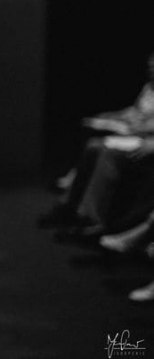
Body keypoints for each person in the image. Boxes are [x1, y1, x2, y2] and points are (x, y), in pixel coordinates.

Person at [38, 51, 154, 233]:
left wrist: (146, 134)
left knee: (107, 152)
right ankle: (68, 205)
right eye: (150, 66)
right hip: (135, 134)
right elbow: (134, 111)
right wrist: (110, 117)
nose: (151, 69)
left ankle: (89, 217)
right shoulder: (149, 88)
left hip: (146, 140)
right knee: (93, 144)